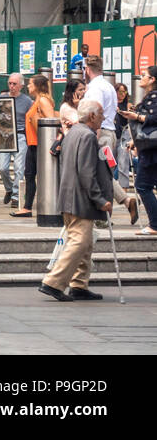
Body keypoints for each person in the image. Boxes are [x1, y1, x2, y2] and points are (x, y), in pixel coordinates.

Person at [39, 100, 111, 301]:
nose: (103, 118)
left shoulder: (72, 133)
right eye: (101, 114)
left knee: (85, 243)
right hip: (80, 199)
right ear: (92, 116)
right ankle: (53, 282)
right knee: (79, 242)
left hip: (69, 196)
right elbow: (86, 172)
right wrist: (100, 199)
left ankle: (79, 284)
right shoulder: (87, 136)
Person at [84, 54, 138, 223]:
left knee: (100, 174)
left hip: (101, 135)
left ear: (87, 70)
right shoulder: (107, 86)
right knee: (104, 173)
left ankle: (106, 215)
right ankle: (123, 203)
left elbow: (95, 112)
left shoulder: (95, 88)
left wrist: (94, 135)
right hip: (109, 134)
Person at [12, 74, 58, 218]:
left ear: (37, 86)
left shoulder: (43, 101)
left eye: (30, 84)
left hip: (40, 145)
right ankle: (27, 208)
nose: (28, 86)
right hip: (32, 143)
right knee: (29, 175)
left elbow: (51, 122)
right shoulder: (36, 100)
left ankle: (45, 207)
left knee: (38, 176)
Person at [120, 66, 157, 236]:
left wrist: (137, 117)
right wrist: (135, 143)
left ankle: (155, 224)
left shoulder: (154, 97)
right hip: (148, 149)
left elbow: (153, 119)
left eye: (145, 75)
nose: (141, 77)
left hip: (151, 152)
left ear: (152, 80)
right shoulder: (149, 97)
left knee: (142, 185)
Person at [0, 73, 32, 210]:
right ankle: (9, 188)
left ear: (21, 85)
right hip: (4, 136)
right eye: (10, 83)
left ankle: (16, 196)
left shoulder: (27, 101)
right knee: (2, 167)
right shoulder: (1, 98)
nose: (11, 86)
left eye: (14, 84)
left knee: (19, 168)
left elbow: (30, 119)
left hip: (20, 136)